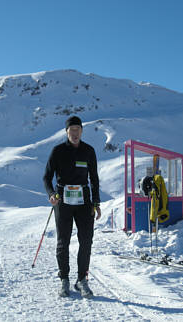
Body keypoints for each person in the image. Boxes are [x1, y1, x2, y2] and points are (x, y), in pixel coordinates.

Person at [43, 115, 101, 298]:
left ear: (82, 131)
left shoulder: (88, 151)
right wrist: (52, 194)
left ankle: (81, 280)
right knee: (63, 241)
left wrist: (96, 202)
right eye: (71, 130)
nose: (75, 133)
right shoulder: (58, 151)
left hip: (84, 202)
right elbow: (47, 177)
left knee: (86, 241)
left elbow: (94, 178)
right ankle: (64, 279)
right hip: (63, 201)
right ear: (66, 132)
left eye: (78, 130)